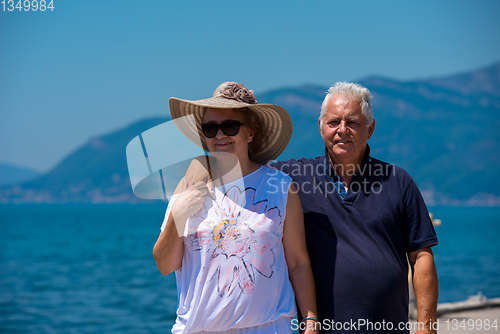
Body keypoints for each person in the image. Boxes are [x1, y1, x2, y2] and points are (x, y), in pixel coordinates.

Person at [184, 82, 439, 334]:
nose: (342, 130)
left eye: (353, 122)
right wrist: (201, 163)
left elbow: (421, 257)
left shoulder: (397, 180)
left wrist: (426, 327)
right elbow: (242, 164)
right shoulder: (291, 177)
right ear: (320, 127)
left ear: (370, 129)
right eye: (333, 122)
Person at [153, 82, 319, 334]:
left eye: (229, 126)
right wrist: (178, 215)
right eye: (211, 128)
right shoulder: (188, 189)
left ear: (250, 133)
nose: (220, 135)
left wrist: (311, 323)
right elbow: (165, 265)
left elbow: (297, 261)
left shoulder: (280, 187)